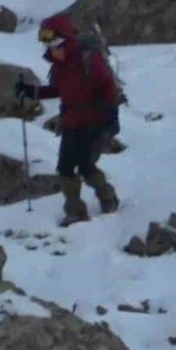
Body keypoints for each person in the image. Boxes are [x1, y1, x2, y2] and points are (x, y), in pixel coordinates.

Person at [14, 14, 121, 226]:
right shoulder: (60, 64)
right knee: (65, 168)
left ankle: (108, 198)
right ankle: (76, 211)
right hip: (72, 122)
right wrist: (30, 91)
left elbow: (108, 87)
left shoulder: (88, 59)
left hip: (95, 122)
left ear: (64, 40)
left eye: (52, 42)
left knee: (85, 167)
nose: (48, 48)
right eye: (45, 42)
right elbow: (58, 89)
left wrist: (110, 116)